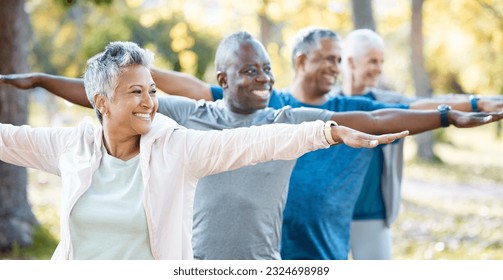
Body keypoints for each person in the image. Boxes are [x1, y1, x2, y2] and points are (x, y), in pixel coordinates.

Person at [1, 31, 501, 260]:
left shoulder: (278, 119)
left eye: (266, 68)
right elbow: (109, 96)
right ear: (223, 78)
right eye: (250, 70)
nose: (263, 77)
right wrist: (44, 79)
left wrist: (442, 115)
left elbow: (364, 116)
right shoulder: (189, 117)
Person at [337, 28, 503, 259]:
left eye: (382, 61)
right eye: (373, 61)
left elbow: (429, 103)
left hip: (371, 211)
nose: (379, 68)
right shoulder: (329, 103)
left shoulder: (387, 102)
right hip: (331, 212)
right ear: (351, 62)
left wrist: (478, 103)